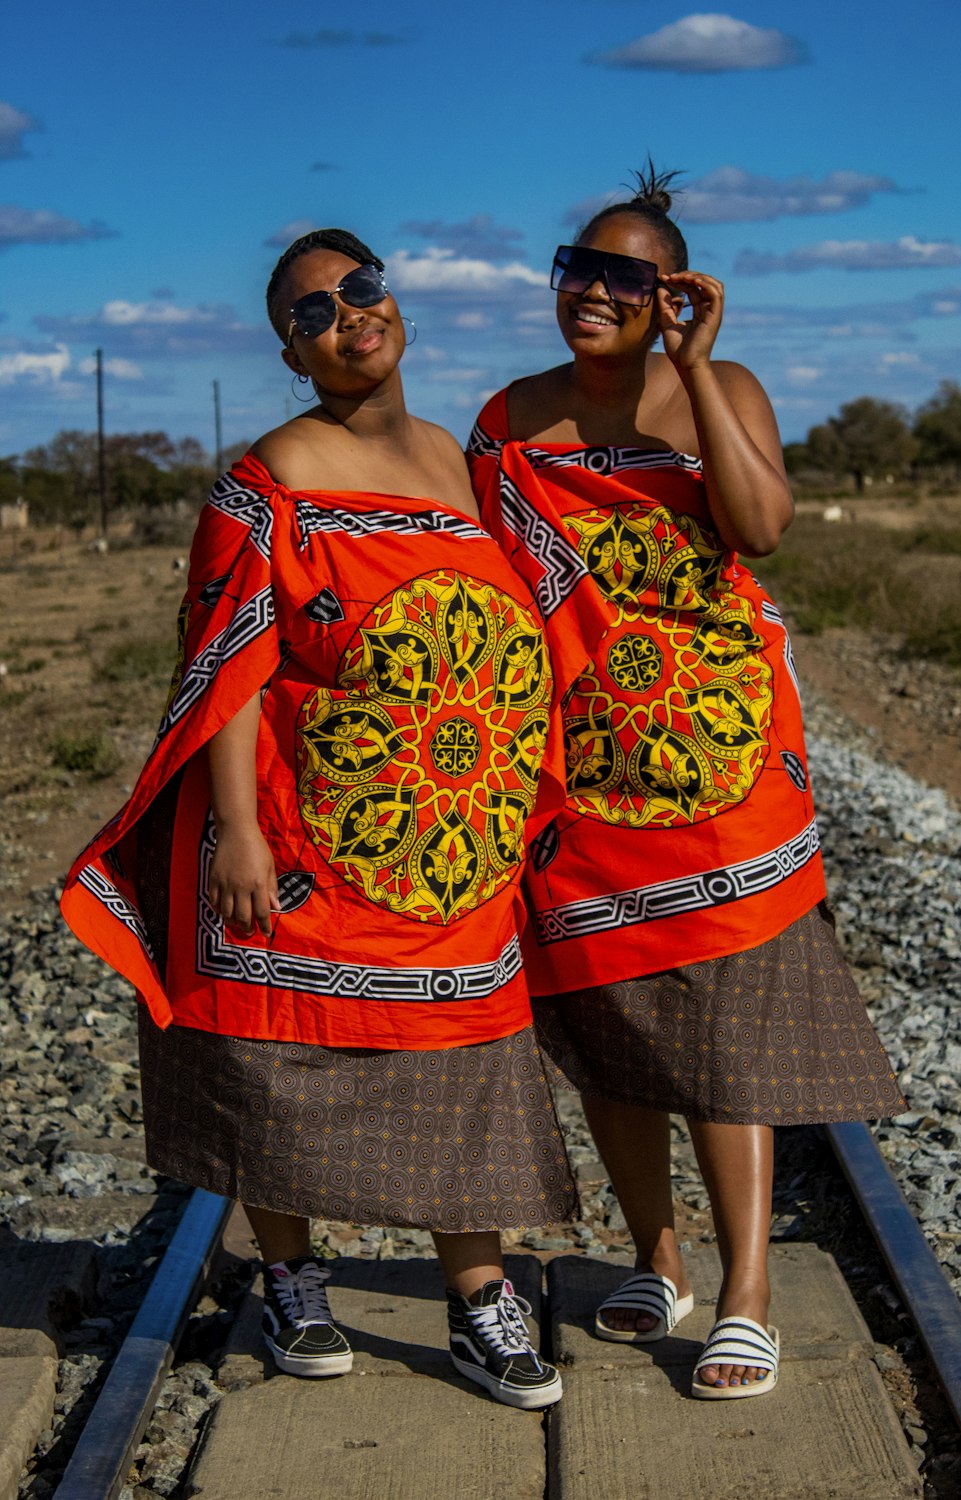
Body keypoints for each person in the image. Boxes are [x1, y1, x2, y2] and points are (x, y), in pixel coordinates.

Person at [61, 227, 583, 1410]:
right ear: (292, 354)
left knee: (462, 1063)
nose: (348, 315)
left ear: (391, 303)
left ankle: (478, 1303)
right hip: (306, 827)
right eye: (313, 312)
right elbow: (228, 660)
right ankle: (290, 1275)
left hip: (442, 839)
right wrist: (237, 830)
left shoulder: (457, 462)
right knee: (270, 1054)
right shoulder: (271, 477)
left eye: (361, 289)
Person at [467, 166, 906, 1399]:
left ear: (671, 292)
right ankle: (655, 1260)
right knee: (609, 1025)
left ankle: (748, 1294)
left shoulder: (726, 391)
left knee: (720, 1035)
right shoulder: (507, 421)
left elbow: (759, 526)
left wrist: (701, 369)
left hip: (715, 765)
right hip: (577, 773)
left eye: (624, 276)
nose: (592, 292)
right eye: (578, 266)